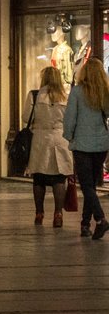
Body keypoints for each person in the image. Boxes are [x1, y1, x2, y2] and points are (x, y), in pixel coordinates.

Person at [62, 59, 109, 239]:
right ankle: (84, 224)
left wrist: (69, 135)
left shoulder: (77, 92)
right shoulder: (105, 92)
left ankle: (100, 219)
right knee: (92, 186)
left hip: (82, 144)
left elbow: (70, 118)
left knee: (87, 186)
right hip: (101, 145)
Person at [25, 66, 72, 227]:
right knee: (59, 178)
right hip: (60, 139)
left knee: (39, 178)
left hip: (40, 140)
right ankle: (58, 214)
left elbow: (26, 118)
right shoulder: (66, 97)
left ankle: (39, 213)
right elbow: (70, 120)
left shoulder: (35, 95)